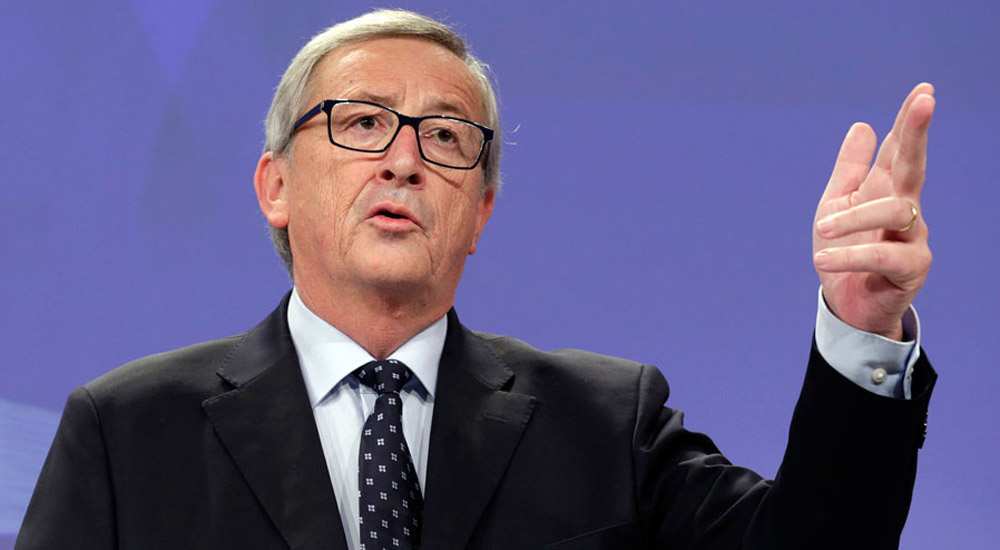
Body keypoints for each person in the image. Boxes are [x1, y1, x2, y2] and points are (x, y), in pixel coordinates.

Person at [16, 9, 936, 550]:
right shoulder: (126, 431)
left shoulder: (606, 424)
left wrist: (861, 327)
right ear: (276, 187)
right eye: (362, 123)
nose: (404, 160)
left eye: (446, 136)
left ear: (482, 209)